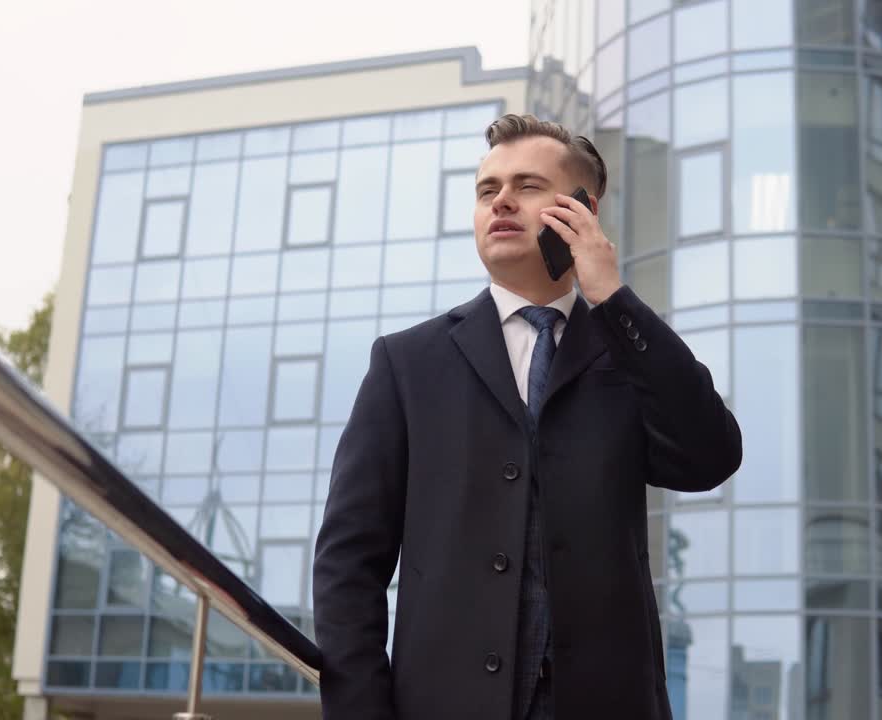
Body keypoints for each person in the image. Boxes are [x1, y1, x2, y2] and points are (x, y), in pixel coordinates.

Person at [312, 114, 742, 720]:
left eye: (527, 185)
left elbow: (710, 459)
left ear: (582, 210)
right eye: (488, 190)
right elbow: (348, 561)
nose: (502, 202)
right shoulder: (408, 363)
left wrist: (613, 298)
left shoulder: (627, 350)